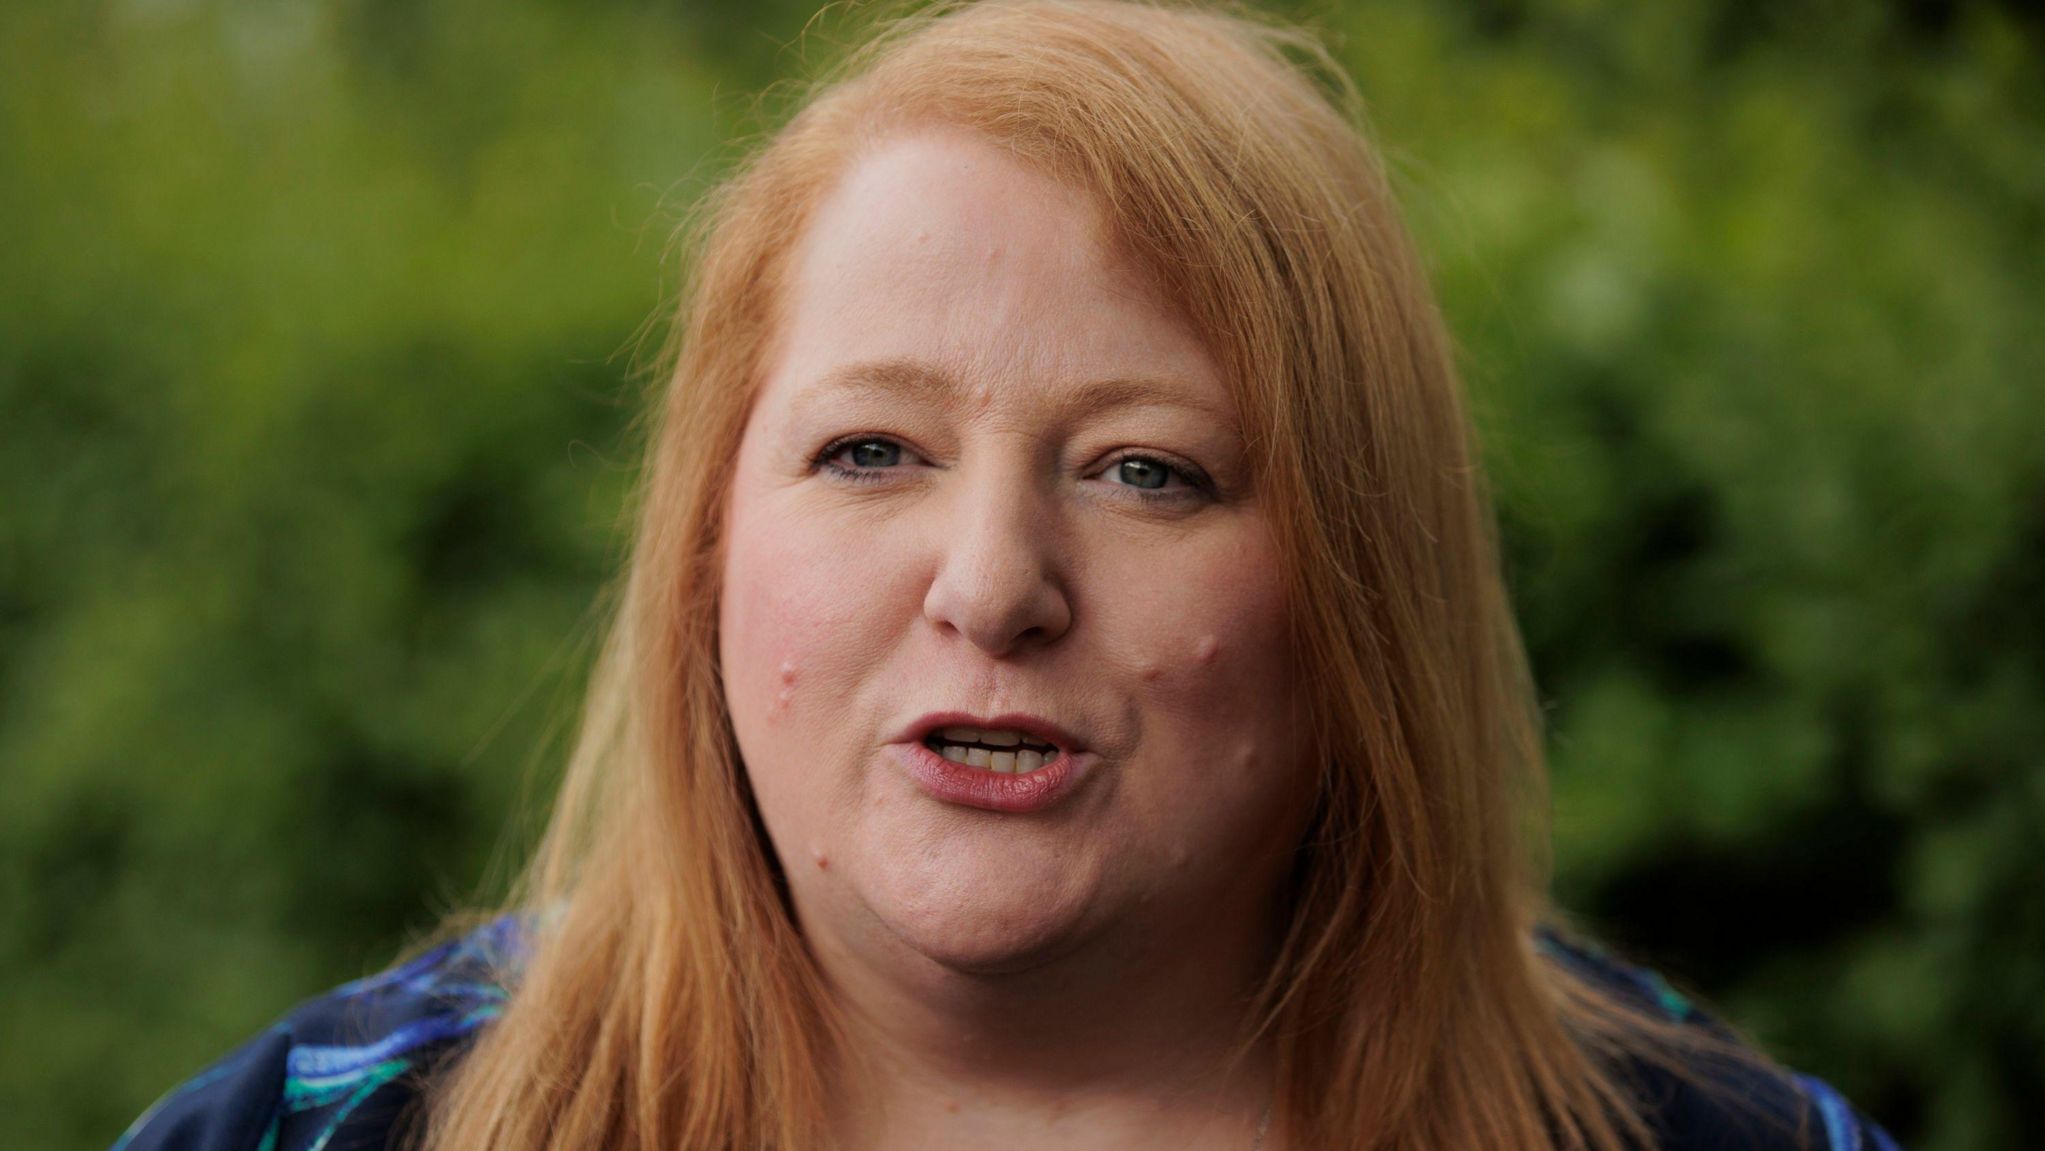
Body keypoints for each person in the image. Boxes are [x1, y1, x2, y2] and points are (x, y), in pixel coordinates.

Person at [112, 1, 1905, 1148]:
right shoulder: (335, 1125)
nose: (992, 583)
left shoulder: (1688, 1134)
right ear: (710, 545)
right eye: (872, 450)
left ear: (1364, 585)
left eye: (1148, 471)